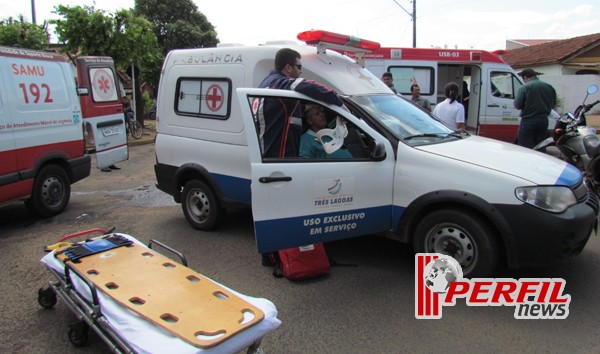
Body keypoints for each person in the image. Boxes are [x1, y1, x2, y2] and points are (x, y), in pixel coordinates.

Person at [257, 48, 344, 158]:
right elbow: (311, 86)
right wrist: (341, 105)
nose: (300, 71)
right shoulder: (279, 84)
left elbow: (282, 111)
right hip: (279, 158)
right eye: (299, 67)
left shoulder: (267, 84)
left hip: (270, 156)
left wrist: (308, 106)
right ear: (288, 67)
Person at [514, 68, 557, 148]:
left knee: (525, 147)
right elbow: (553, 104)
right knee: (541, 145)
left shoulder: (525, 87)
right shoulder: (548, 86)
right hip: (544, 120)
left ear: (525, 77)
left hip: (529, 120)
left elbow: (517, 105)